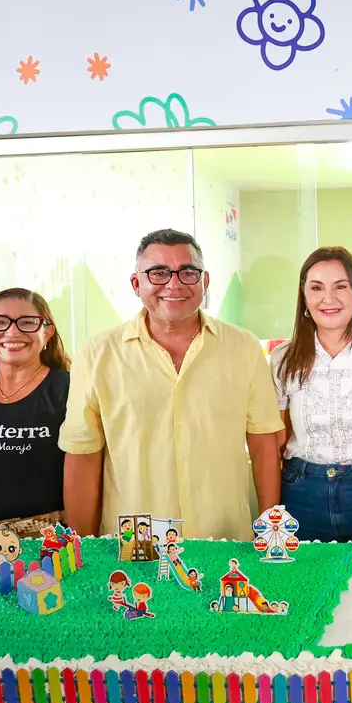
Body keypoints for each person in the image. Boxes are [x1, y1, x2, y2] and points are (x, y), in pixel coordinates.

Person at [59, 229, 283, 539]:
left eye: (188, 272)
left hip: (224, 538)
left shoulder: (243, 347)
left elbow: (263, 444)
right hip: (136, 544)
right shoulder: (97, 354)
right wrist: (84, 547)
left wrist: (270, 533)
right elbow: (83, 455)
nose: (174, 284)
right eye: (158, 273)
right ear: (136, 284)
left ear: (204, 281)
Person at [272, 247, 352, 542]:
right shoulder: (283, 357)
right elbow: (279, 437)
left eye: (340, 286)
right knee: (304, 569)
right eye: (316, 288)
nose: (328, 299)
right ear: (304, 297)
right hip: (302, 490)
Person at [0, 288, 72, 538]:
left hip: (50, 542)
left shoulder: (69, 390)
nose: (12, 332)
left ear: (47, 333)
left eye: (27, 322)